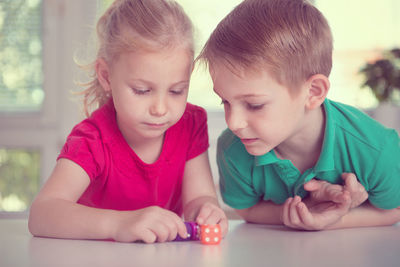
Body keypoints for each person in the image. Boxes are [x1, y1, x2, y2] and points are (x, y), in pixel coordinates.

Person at [28, 0, 227, 243]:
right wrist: (119, 224)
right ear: (106, 76)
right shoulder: (93, 140)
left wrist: (206, 211)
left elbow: (199, 198)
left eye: (176, 90)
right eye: (142, 90)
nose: (160, 109)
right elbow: (41, 214)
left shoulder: (190, 124)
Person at [197, 0, 400, 230]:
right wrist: (304, 211)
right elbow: (246, 209)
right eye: (225, 101)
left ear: (313, 92)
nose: (233, 122)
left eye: (254, 105)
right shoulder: (233, 148)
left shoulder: (376, 148)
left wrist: (333, 219)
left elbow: (394, 210)